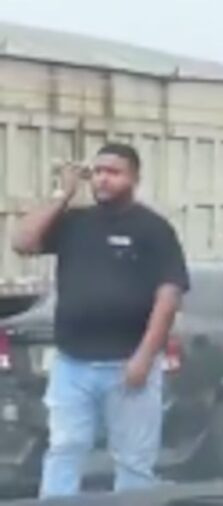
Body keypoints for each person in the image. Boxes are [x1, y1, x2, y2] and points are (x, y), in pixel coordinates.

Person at [12, 144, 189, 498]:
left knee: (133, 460)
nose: (103, 178)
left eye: (114, 171)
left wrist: (144, 356)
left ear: (134, 178)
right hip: (72, 363)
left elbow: (168, 299)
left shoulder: (153, 229)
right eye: (97, 171)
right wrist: (63, 195)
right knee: (65, 448)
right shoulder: (75, 223)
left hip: (128, 363)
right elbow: (23, 241)